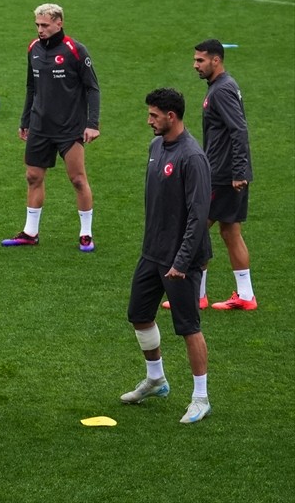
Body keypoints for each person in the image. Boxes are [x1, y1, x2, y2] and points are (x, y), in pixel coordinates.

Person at [121, 89, 213, 424]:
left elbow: (198, 214)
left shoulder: (192, 157)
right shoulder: (156, 146)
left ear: (170, 116)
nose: (149, 121)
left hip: (181, 260)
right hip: (153, 253)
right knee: (139, 314)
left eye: (153, 115)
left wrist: (182, 261)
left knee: (188, 326)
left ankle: (201, 398)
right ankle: (156, 379)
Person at [3, 3, 101, 251]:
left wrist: (92, 124)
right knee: (33, 176)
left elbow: (92, 88)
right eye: (37, 24)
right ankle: (30, 232)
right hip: (39, 126)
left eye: (45, 25)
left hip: (69, 127)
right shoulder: (33, 49)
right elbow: (31, 88)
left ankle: (86, 234)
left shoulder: (75, 50)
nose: (40, 29)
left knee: (78, 179)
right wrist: (25, 121)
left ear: (59, 23)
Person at [194, 39, 257, 311]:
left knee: (194, 227)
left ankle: (197, 295)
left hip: (223, 174)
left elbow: (239, 130)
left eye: (200, 60)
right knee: (230, 231)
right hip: (225, 172)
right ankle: (245, 296)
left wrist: (239, 171)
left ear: (216, 60)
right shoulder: (222, 86)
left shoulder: (221, 90)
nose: (195, 65)